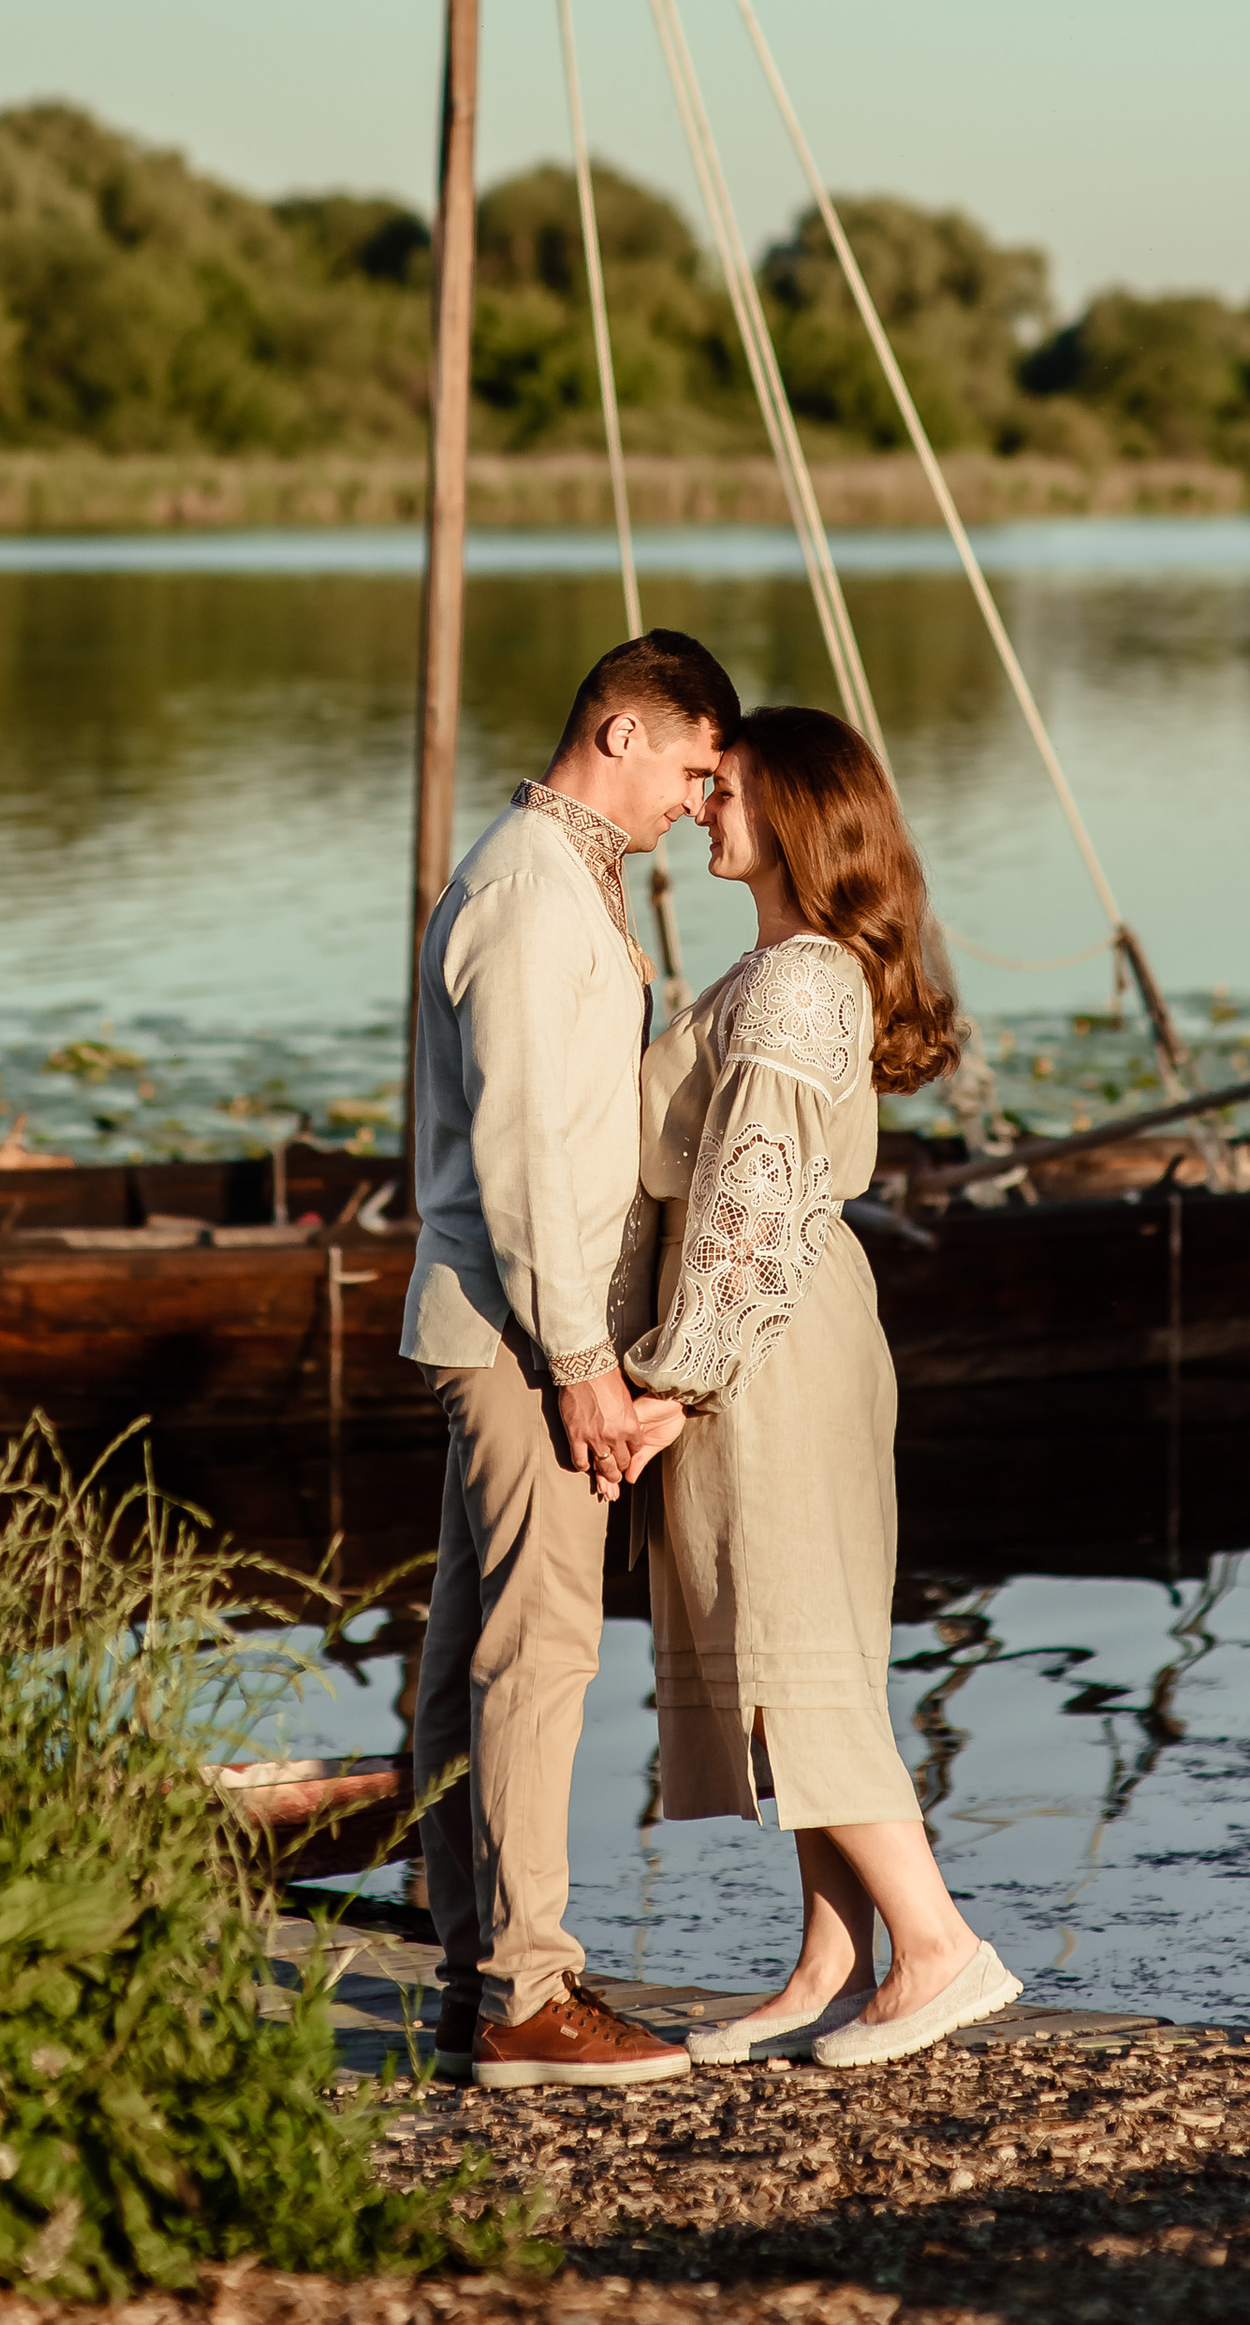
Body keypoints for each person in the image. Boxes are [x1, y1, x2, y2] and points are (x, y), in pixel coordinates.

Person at [615, 703, 1024, 2071]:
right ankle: (830, 1957)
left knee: (791, 1635)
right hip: (787, 1323)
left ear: (790, 813)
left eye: (722, 787)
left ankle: (939, 1945)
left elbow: (754, 1190)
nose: (699, 806)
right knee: (787, 1625)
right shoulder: (789, 963)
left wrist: (676, 1373)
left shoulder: (797, 981)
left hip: (767, 1338)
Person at [400, 627, 740, 2093]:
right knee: (535, 1656)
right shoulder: (535, 894)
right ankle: (525, 1998)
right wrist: (585, 1362)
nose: (695, 799)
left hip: (504, 1320)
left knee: (470, 1655)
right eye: (689, 766)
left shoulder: (549, 875)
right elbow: (532, 1153)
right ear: (618, 734)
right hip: (525, 1333)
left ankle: (480, 1965)